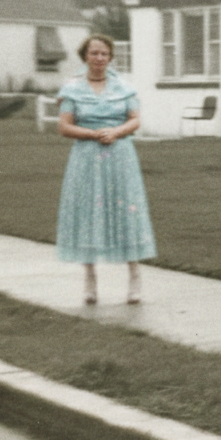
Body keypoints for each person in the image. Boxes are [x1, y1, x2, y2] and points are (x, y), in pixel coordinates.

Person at [56, 34, 156, 305]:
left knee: (126, 211)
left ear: (111, 57)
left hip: (120, 157)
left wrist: (116, 131)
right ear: (85, 56)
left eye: (104, 54)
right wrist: (91, 134)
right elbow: (64, 126)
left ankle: (135, 277)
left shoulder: (124, 87)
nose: (99, 58)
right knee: (89, 212)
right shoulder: (72, 88)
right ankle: (90, 279)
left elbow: (134, 120)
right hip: (86, 158)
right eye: (93, 53)